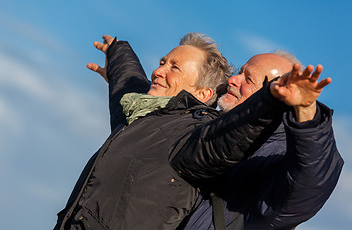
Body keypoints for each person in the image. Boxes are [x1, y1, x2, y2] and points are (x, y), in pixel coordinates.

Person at [55, 33, 276, 230]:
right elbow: (130, 88)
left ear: (203, 93)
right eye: (163, 62)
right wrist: (118, 52)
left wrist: (274, 101)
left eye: (174, 67)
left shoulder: (195, 134)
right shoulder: (142, 117)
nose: (158, 71)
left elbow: (231, 138)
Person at [172, 52, 344, 230]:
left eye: (248, 79)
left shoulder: (278, 153)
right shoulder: (203, 127)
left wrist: (307, 113)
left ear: (281, 94)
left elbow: (308, 185)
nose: (233, 79)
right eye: (240, 71)